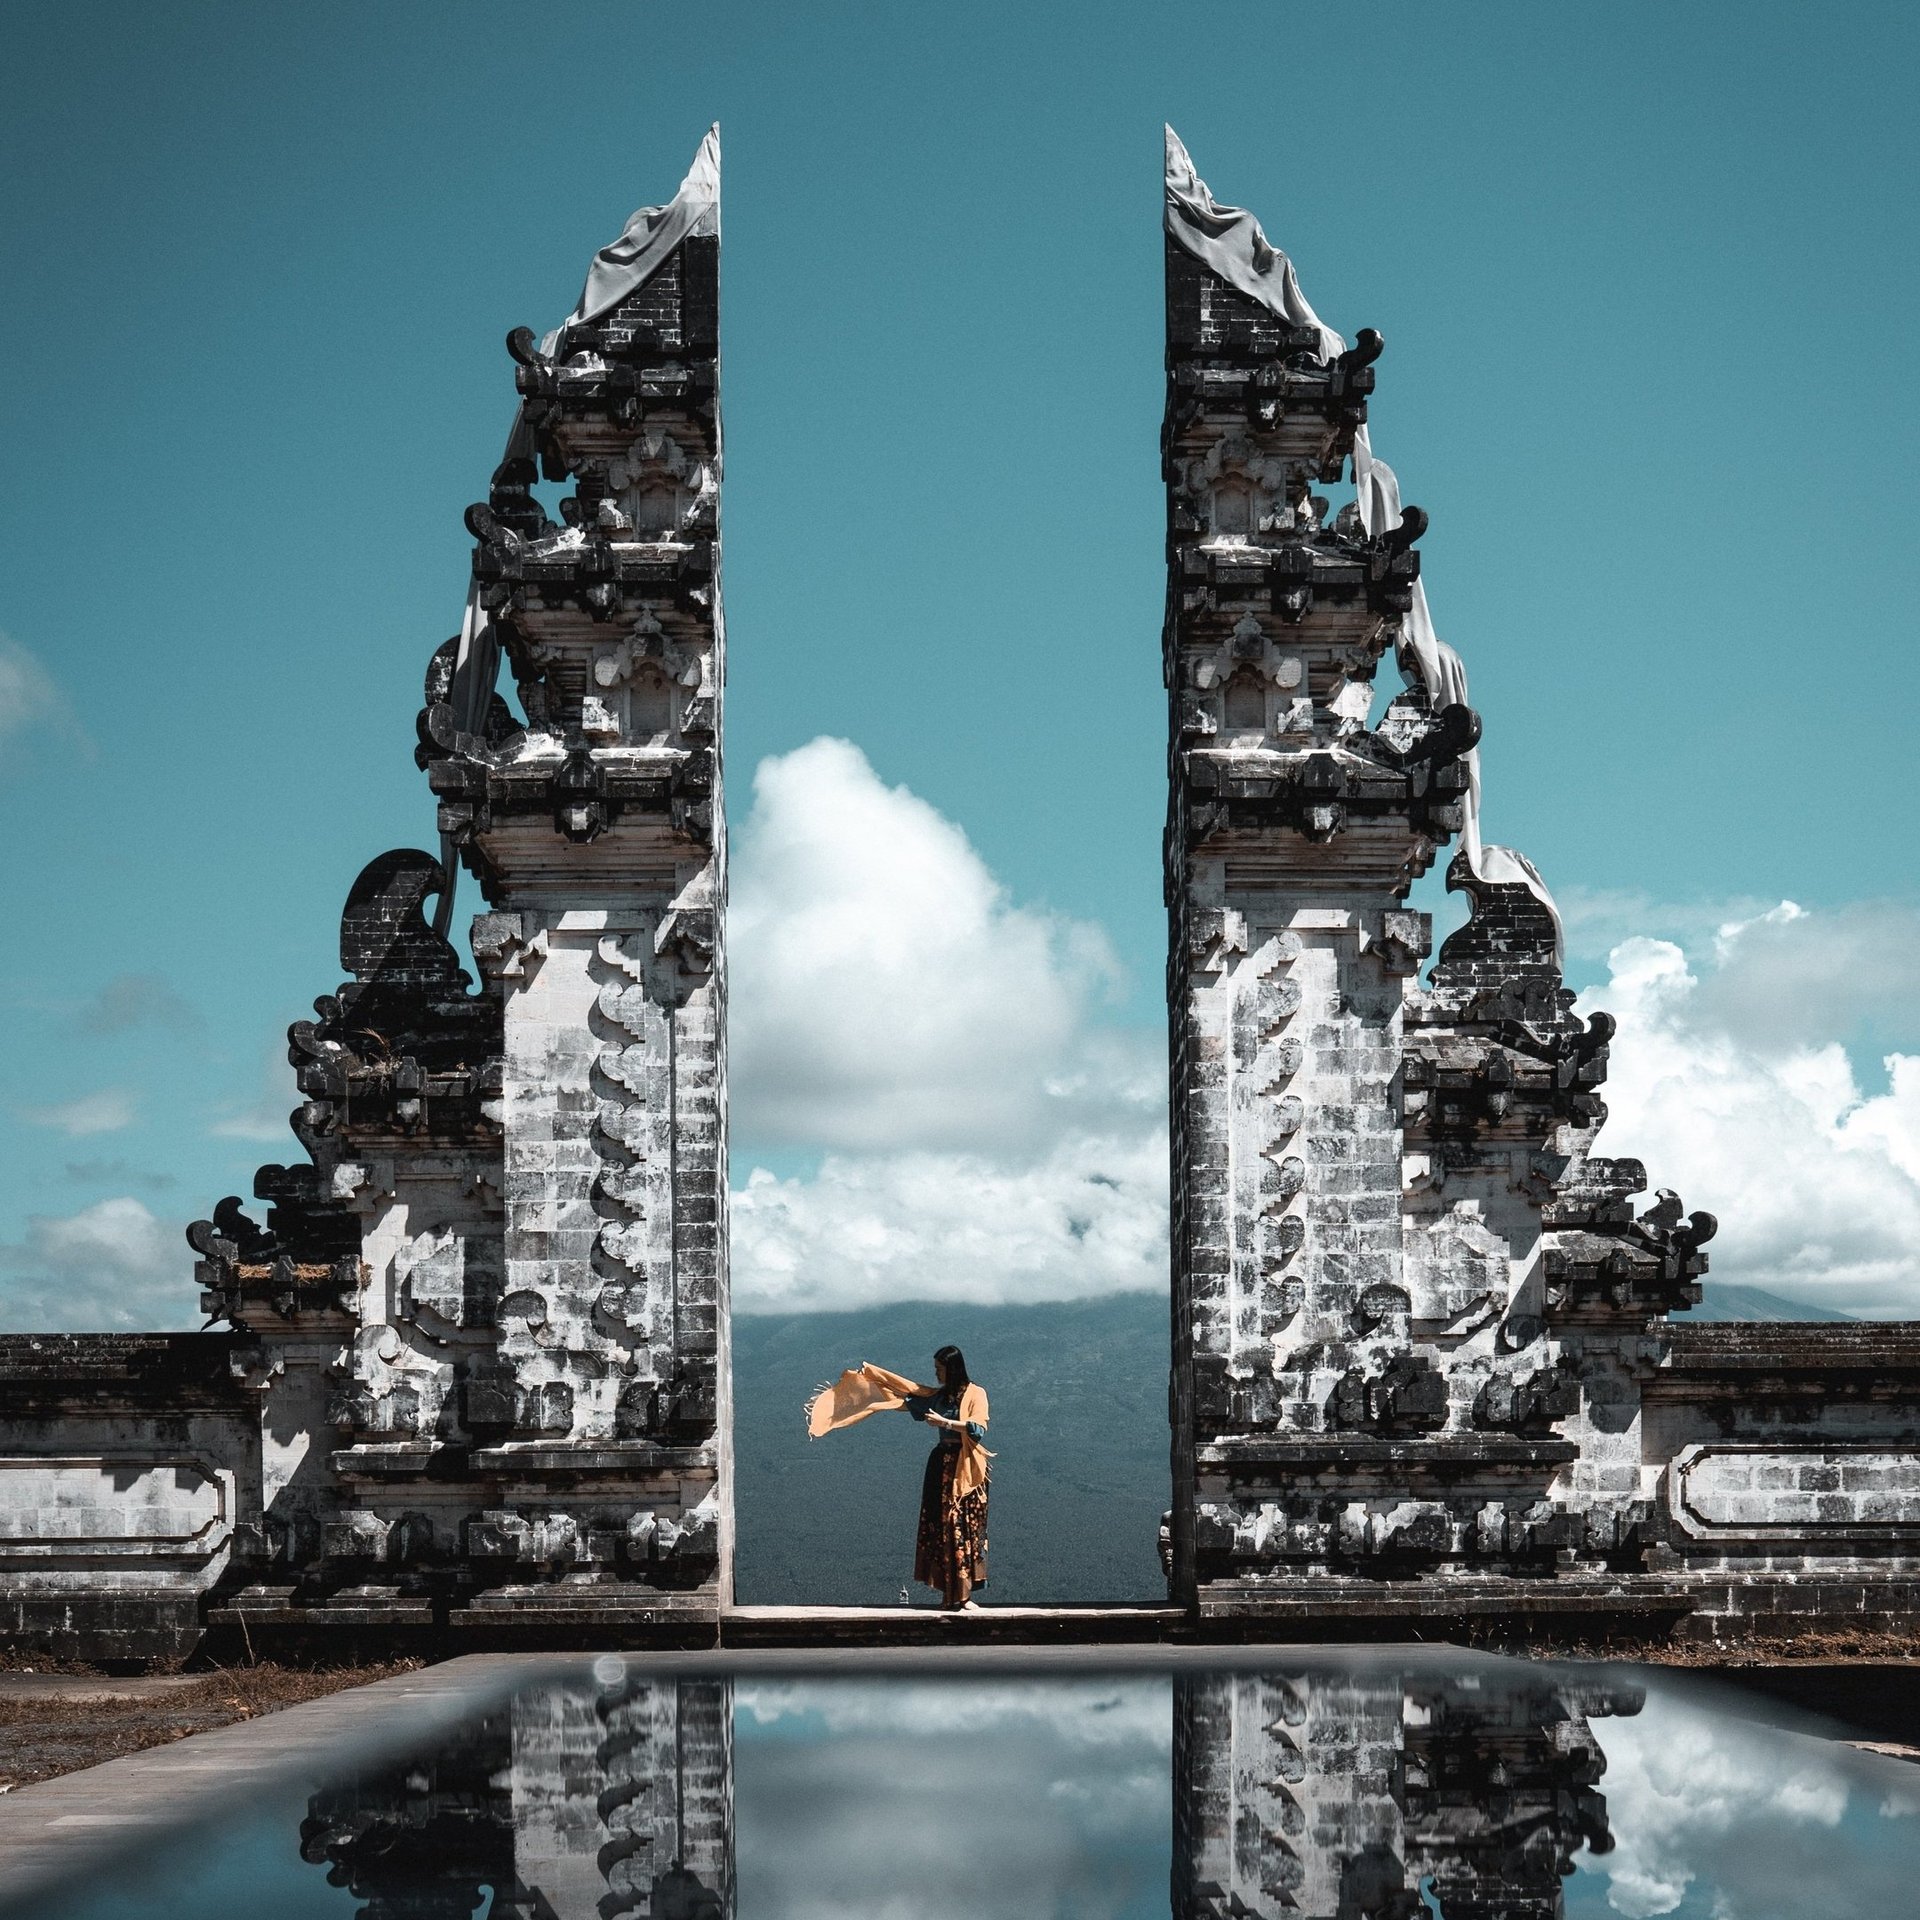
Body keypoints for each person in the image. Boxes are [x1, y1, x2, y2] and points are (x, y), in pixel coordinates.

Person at [806, 1346, 991, 1610]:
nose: (935, 1373)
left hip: (965, 1469)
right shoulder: (939, 1396)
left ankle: (964, 1596)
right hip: (940, 1466)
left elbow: (978, 1429)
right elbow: (906, 1399)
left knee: (960, 1528)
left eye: (939, 1369)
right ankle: (950, 1595)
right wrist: (872, 1388)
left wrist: (946, 1423)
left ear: (951, 1369)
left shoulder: (976, 1394)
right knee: (942, 1528)